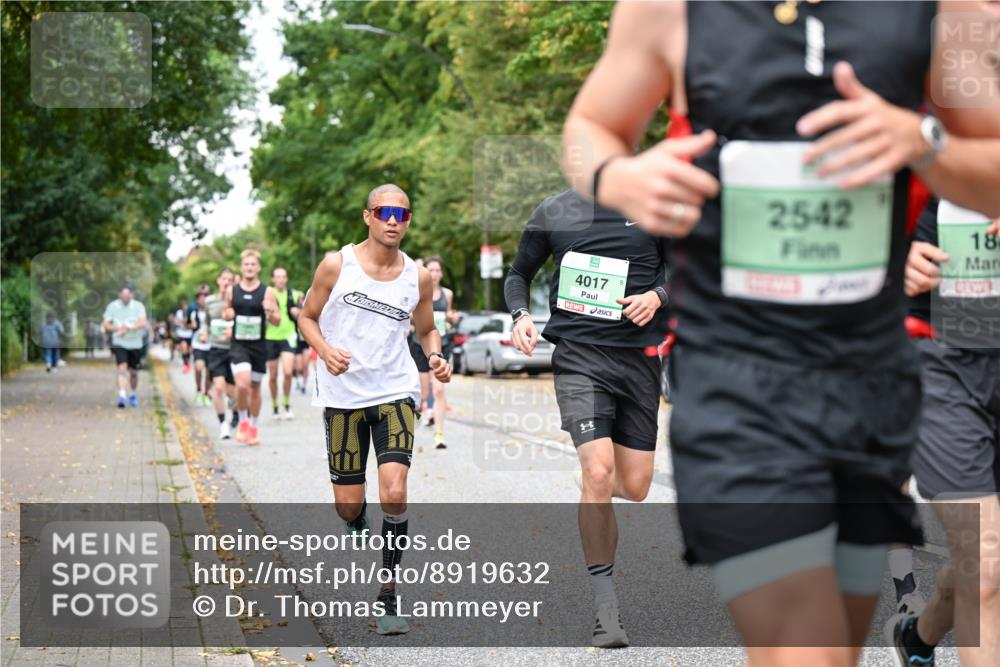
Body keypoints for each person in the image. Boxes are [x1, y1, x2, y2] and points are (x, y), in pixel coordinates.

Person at [561, 2, 1000, 664]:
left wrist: (924, 141)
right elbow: (589, 126)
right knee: (805, 644)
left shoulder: (939, 10)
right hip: (736, 379)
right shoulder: (668, 8)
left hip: (867, 381)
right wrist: (615, 175)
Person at [505, 189, 671, 647]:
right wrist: (520, 315)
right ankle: (605, 608)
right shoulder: (555, 210)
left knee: (634, 486)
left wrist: (658, 296)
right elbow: (519, 273)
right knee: (598, 472)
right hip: (579, 358)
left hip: (638, 361)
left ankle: (595, 482)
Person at [298, 183, 452, 636]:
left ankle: (388, 594)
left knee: (396, 491)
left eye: (401, 215)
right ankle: (357, 515)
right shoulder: (337, 265)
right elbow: (306, 316)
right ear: (368, 216)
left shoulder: (417, 276)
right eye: (384, 212)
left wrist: (436, 355)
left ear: (408, 221)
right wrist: (325, 350)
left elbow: (427, 329)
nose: (393, 221)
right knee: (347, 507)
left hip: (395, 389)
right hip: (343, 394)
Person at [888, 199, 1000, 667]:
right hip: (939, 359)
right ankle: (902, 583)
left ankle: (918, 638)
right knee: (985, 563)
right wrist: (888, 258)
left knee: (982, 560)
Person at [225, 250, 280, 446]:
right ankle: (243, 421)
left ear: (258, 268)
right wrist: (228, 313)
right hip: (239, 344)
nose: (249, 267)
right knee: (242, 385)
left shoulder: (268, 292)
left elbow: (277, 320)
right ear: (242, 267)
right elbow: (226, 311)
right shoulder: (232, 291)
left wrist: (269, 311)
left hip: (258, 346)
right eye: (246, 264)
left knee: (255, 389)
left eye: (253, 264)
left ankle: (254, 428)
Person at [422, 257, 458, 449]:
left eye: (437, 270)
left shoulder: (447, 294)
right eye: (431, 270)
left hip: (441, 346)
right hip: (421, 346)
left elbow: (448, 315)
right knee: (423, 392)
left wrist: (451, 318)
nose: (434, 274)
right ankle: (424, 410)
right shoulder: (419, 291)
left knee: (438, 390)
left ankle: (439, 435)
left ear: (441, 273)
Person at [206, 268, 239, 439]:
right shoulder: (209, 301)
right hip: (216, 348)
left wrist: (234, 332)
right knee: (218, 387)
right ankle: (223, 425)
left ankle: (237, 413)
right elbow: (207, 323)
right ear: (218, 280)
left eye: (230, 280)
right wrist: (205, 333)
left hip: (234, 349)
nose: (226, 283)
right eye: (224, 279)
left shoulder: (237, 301)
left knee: (232, 393)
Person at [103, 286, 147, 408]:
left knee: (133, 372)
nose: (125, 298)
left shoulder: (138, 306)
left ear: (132, 295)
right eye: (123, 296)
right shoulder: (113, 306)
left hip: (135, 343)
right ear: (120, 295)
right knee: (122, 367)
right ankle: (122, 395)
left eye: (128, 296)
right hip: (120, 342)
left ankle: (132, 393)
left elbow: (143, 322)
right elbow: (106, 324)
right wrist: (118, 328)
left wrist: (129, 327)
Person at [264, 267, 300, 420]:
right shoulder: (267, 294)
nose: (280, 280)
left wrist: (297, 312)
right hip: (271, 336)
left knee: (288, 372)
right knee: (273, 376)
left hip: (288, 336)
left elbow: (304, 313)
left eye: (283, 277)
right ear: (273, 279)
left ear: (286, 279)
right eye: (277, 277)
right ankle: (274, 406)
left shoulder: (295, 294)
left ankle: (286, 403)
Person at [190, 287, 213, 407]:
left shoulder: (213, 312)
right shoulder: (194, 313)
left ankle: (206, 393)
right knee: (198, 367)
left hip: (211, 344)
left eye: (205, 296)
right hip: (198, 344)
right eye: (201, 297)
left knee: (209, 371)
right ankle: (199, 389)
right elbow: (191, 327)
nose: (203, 299)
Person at [174, 300, 193, 372]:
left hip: (190, 334)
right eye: (183, 305)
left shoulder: (191, 312)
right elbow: (176, 321)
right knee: (184, 347)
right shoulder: (179, 312)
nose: (185, 307)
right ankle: (186, 364)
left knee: (189, 350)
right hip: (182, 333)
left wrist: (189, 324)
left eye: (186, 305)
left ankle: (187, 361)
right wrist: (181, 322)